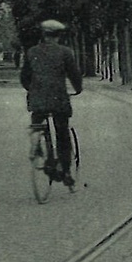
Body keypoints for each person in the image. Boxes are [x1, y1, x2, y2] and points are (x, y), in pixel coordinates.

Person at [20, 19, 83, 185]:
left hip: (37, 100)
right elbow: (74, 75)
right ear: (59, 36)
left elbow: (24, 77)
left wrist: (32, 90)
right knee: (62, 133)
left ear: (43, 35)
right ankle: (66, 171)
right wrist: (78, 89)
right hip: (58, 99)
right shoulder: (65, 52)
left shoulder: (32, 52)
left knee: (37, 122)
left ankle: (39, 148)